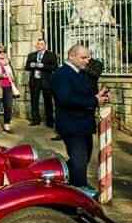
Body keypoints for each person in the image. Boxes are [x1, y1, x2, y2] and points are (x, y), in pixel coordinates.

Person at [50, 45, 110, 188]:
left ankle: (61, 179)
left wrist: (98, 96)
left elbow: (82, 94)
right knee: (79, 163)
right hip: (71, 125)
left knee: (83, 160)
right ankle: (80, 193)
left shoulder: (79, 72)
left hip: (84, 125)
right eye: (83, 58)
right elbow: (66, 99)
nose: (87, 61)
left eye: (88, 57)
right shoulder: (61, 74)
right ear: (71, 56)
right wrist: (94, 101)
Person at [25, 39, 58, 127]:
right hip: (35, 81)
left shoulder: (51, 55)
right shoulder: (31, 55)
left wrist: (44, 66)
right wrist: (30, 65)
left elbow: (55, 67)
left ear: (45, 45)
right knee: (34, 101)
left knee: (48, 101)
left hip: (46, 81)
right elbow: (27, 67)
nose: (39, 45)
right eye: (38, 44)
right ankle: (35, 120)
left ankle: (49, 121)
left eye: (41, 44)